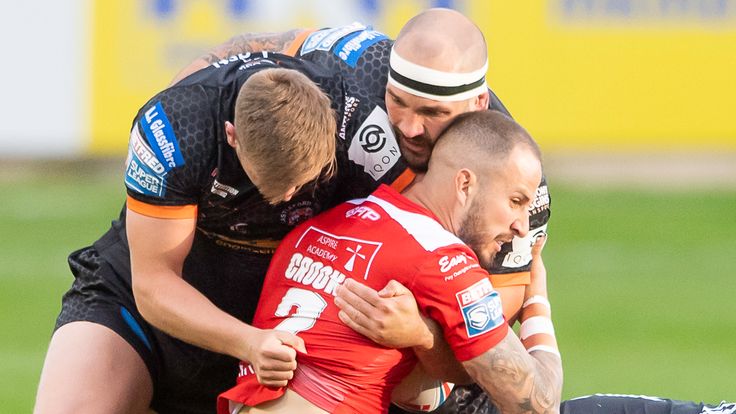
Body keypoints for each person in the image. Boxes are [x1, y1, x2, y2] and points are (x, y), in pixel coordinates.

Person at [35, 8, 552, 414]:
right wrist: (248, 341)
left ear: (477, 105)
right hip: (186, 285)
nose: (411, 129)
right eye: (399, 103)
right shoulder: (183, 124)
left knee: (432, 394)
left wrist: (421, 334)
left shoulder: (509, 179)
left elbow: (480, 358)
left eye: (434, 114)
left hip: (304, 323)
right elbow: (151, 282)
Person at [218, 110, 563, 414]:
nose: (521, 226)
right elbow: (538, 404)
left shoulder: (320, 226)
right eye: (516, 201)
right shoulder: (442, 259)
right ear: (465, 184)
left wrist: (422, 336)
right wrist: (536, 301)